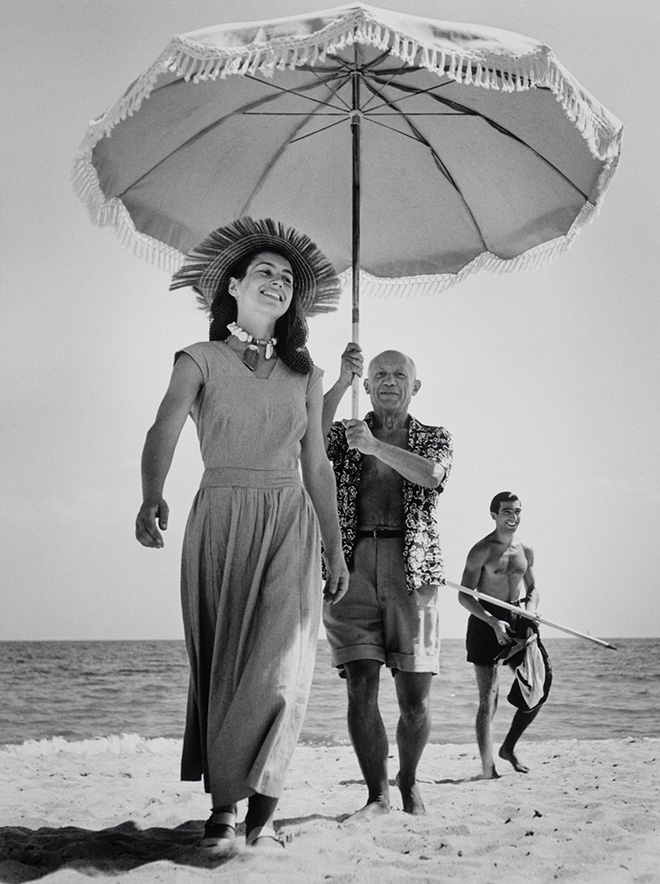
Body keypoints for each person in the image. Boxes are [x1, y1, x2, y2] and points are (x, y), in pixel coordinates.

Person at [135, 217, 349, 851]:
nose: (278, 283)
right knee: (227, 666)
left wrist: (334, 546)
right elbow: (163, 430)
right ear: (232, 286)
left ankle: (264, 807)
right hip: (221, 516)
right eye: (265, 272)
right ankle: (225, 805)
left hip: (289, 521)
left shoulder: (306, 375)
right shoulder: (197, 359)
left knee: (283, 670)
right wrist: (152, 494)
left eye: (287, 278)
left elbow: (316, 465)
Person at [321, 343, 453, 817]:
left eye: (399, 374)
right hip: (351, 564)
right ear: (368, 385)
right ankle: (376, 794)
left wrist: (375, 447)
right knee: (360, 683)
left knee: (414, 696)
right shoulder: (346, 433)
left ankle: (409, 780)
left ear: (415, 386)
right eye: (379, 375)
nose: (389, 381)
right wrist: (339, 382)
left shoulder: (434, 436)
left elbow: (432, 477)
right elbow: (306, 440)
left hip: (412, 568)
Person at [459, 491, 551, 779]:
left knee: (540, 687)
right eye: (507, 512)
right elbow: (464, 596)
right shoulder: (482, 550)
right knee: (489, 698)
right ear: (494, 515)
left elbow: (533, 589)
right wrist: (490, 621)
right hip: (486, 621)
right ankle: (488, 768)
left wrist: (531, 609)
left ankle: (508, 747)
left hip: (518, 617)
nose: (513, 517)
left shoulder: (526, 550)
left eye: (517, 511)